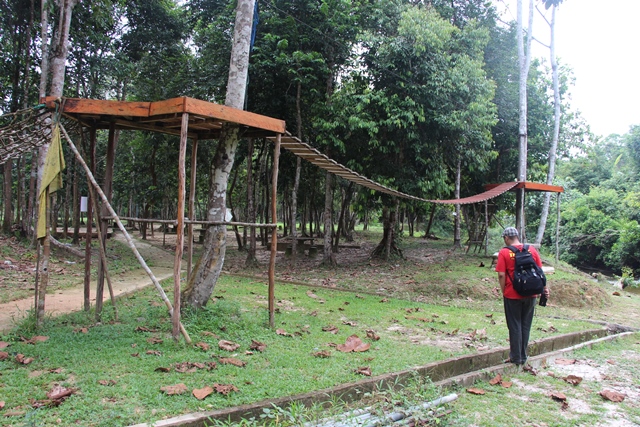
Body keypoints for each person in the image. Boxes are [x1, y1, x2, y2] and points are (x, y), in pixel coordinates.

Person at [495, 227, 550, 366]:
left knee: (514, 325)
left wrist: (504, 290)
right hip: (531, 293)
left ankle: (516, 358)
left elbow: (501, 274)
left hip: (512, 295)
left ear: (506, 238)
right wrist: (544, 289)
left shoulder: (504, 252)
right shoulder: (531, 249)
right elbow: (540, 272)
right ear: (517, 236)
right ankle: (523, 356)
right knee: (525, 325)